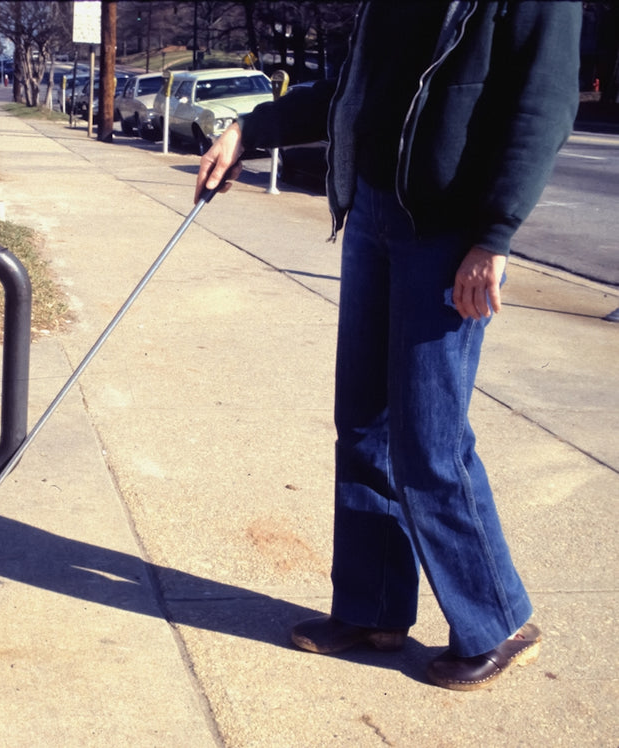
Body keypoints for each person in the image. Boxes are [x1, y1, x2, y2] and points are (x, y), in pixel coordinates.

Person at [195, 2, 580, 691]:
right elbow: (355, 85)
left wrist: (493, 237)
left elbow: (541, 107)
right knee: (363, 426)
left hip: (448, 231)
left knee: (430, 440)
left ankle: (497, 620)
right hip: (373, 209)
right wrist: (249, 131)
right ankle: (371, 609)